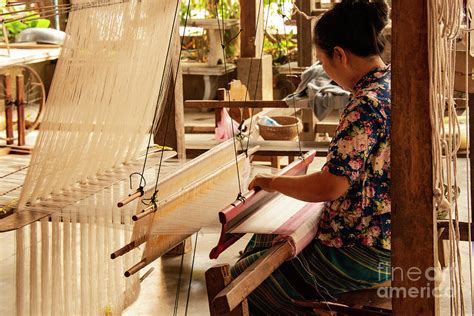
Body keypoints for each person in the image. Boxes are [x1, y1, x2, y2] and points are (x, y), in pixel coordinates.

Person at [231, 0, 392, 314]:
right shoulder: (390, 84)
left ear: (340, 54)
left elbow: (330, 187)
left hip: (364, 252)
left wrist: (272, 181)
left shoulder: (365, 104)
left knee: (241, 284)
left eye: (323, 61)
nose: (328, 73)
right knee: (262, 245)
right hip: (386, 235)